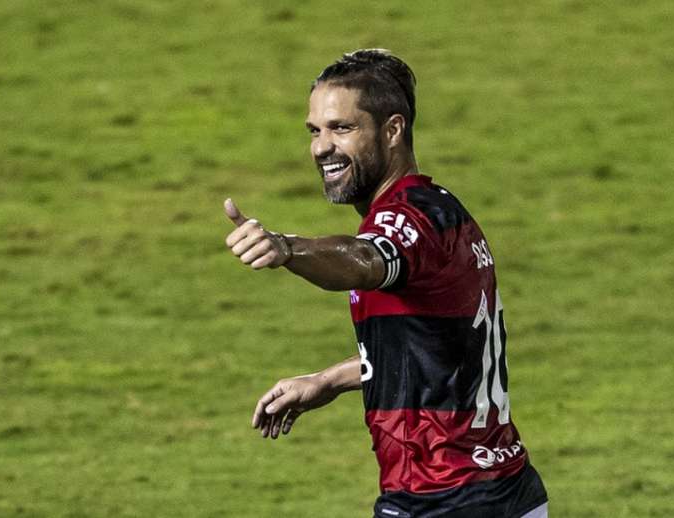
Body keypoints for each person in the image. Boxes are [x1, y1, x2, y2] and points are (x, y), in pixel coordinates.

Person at [223, 49, 548, 518]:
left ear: (392, 130)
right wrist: (329, 380)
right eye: (315, 131)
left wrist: (288, 249)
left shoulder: (408, 219)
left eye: (342, 128)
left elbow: (364, 260)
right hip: (506, 488)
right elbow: (440, 348)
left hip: (444, 495)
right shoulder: (440, 209)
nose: (321, 147)